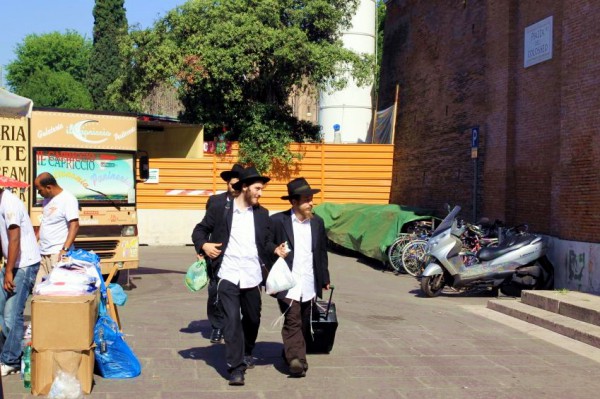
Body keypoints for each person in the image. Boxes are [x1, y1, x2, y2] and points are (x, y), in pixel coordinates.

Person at [192, 166, 281, 386]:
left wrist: (275, 250)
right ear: (244, 187)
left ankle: (247, 350)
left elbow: (266, 242)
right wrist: (204, 244)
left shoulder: (262, 214)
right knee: (231, 320)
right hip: (227, 273)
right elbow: (199, 230)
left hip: (252, 276)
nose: (261, 193)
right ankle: (236, 367)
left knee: (252, 318)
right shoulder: (220, 209)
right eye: (258, 188)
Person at [270, 177, 330, 377]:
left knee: (305, 321)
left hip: (310, 282)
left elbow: (321, 252)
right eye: (306, 199)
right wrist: (274, 249)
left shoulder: (317, 223)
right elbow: (264, 243)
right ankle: (297, 361)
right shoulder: (278, 221)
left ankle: (290, 351)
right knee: (292, 319)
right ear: (294, 202)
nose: (311, 203)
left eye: (311, 199)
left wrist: (325, 278)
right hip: (288, 283)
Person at [0, 188, 41, 376]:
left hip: (23, 264)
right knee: (2, 309)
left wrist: (9, 271)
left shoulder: (10, 203)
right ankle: (8, 352)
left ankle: (12, 361)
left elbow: (14, 238)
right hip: (11, 263)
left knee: (12, 313)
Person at [204, 163, 244, 344]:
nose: (234, 188)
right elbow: (205, 227)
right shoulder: (215, 202)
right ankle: (217, 326)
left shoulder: (250, 204)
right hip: (217, 255)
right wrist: (203, 247)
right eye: (231, 184)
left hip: (241, 258)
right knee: (215, 292)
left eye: (238, 185)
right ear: (227, 184)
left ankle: (235, 325)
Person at [34, 172, 79, 285]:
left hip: (57, 254)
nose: (39, 193)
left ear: (49, 187)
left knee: (56, 292)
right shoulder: (47, 200)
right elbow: (45, 222)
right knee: (38, 291)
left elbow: (75, 225)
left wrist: (65, 249)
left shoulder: (68, 199)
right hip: (43, 253)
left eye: (40, 190)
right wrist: (35, 240)